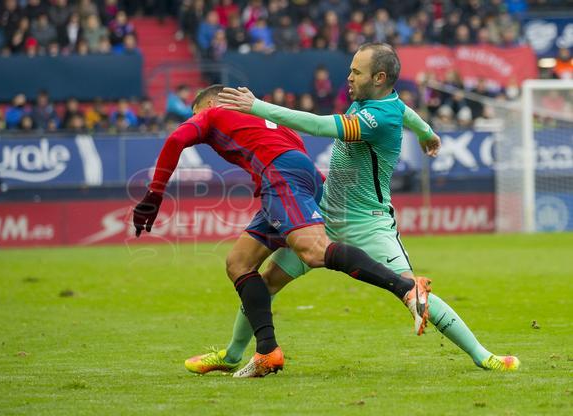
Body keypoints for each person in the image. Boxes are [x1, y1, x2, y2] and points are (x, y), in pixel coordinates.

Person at [207, 42, 520, 375]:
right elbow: (406, 111)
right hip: (324, 216)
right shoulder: (380, 101)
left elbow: (317, 126)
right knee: (266, 281)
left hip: (368, 225)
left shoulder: (376, 118)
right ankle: (231, 355)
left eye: (356, 71)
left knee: (411, 290)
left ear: (380, 77)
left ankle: (483, 355)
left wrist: (256, 107)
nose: (349, 77)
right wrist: (426, 132)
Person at [133, 83, 432, 378]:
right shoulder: (267, 120)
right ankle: (267, 351)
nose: (194, 120)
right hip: (302, 175)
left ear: (211, 105)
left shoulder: (212, 115)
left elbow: (175, 140)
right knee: (239, 263)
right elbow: (295, 149)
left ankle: (406, 288)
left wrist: (154, 194)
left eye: (195, 113)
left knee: (314, 251)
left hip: (279, 175)